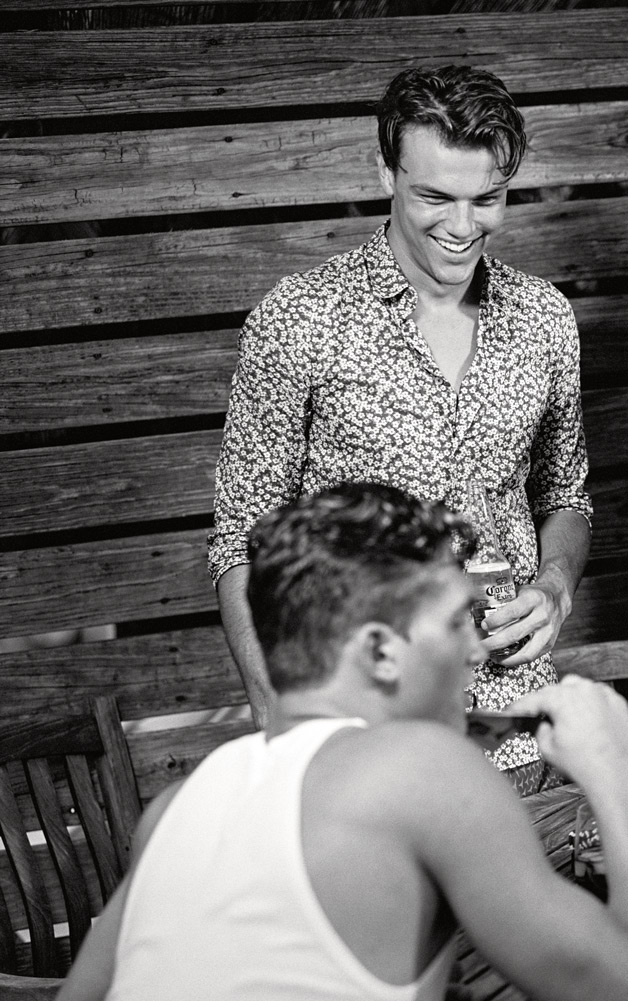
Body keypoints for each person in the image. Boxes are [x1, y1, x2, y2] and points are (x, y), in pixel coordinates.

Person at [35, 482, 628, 1001]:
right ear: (381, 650)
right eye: (454, 623)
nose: (475, 650)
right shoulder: (425, 772)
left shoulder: (180, 804)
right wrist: (615, 770)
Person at [210, 65, 592, 779]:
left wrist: (554, 586)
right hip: (358, 740)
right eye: (435, 197)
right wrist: (274, 714)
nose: (463, 227)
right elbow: (240, 537)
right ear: (385, 172)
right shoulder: (299, 318)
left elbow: (565, 495)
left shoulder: (545, 318)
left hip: (515, 732)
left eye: (487, 199)